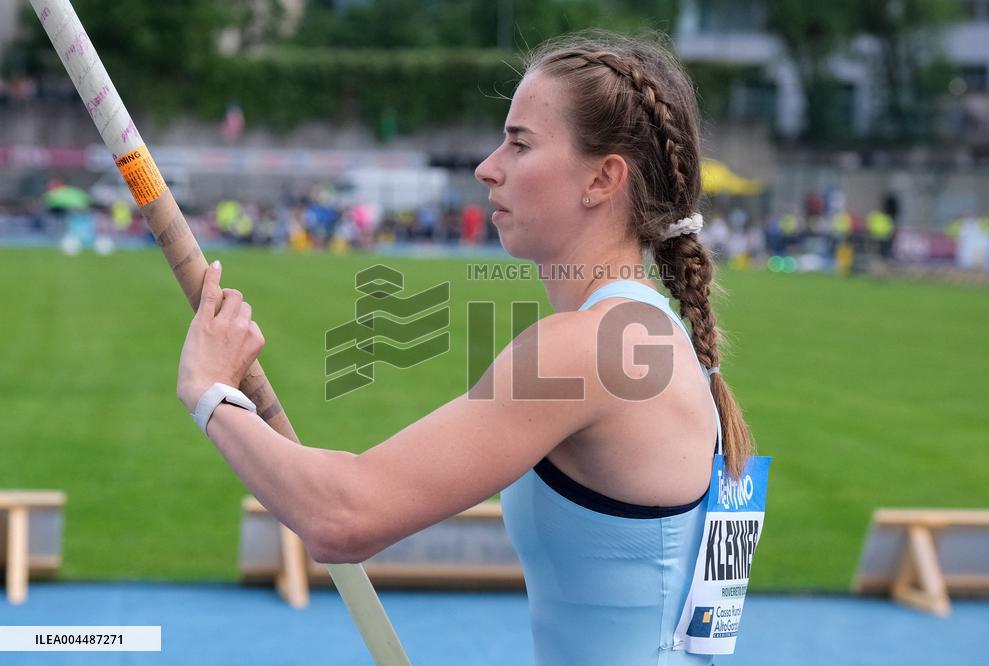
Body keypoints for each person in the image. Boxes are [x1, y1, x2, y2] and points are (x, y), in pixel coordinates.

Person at [176, 32, 754, 665]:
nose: (488, 166)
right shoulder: (642, 334)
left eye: (520, 142)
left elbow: (342, 516)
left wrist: (213, 393)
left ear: (601, 178)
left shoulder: (593, 349)